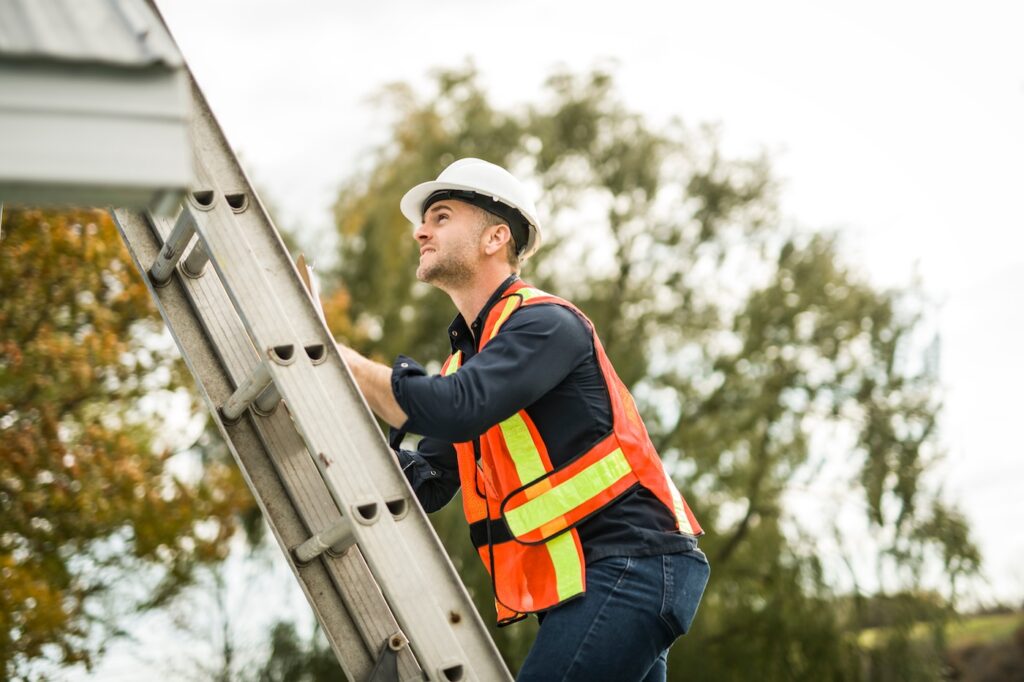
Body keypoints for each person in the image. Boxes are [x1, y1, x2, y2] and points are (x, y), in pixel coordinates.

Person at [336, 158, 709, 681]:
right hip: (601, 580)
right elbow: (430, 480)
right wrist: (333, 452)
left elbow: (457, 407)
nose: (420, 230)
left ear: (495, 237)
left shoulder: (545, 324)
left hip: (631, 567)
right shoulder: (468, 364)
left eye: (440, 216)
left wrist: (337, 364)